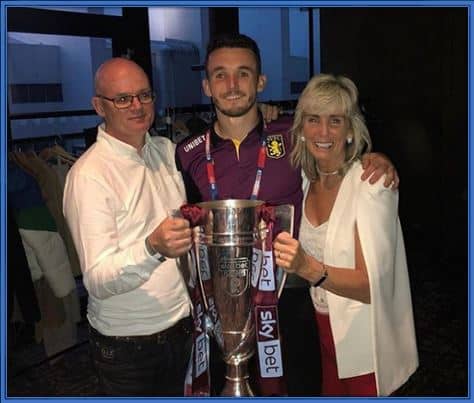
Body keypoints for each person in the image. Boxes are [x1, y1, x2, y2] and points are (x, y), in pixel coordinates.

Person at [175, 33, 399, 396]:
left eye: (243, 73)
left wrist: (375, 159)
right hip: (222, 305)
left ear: (260, 81)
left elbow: (336, 152)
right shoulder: (186, 153)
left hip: (289, 299)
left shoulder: (293, 136)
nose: (232, 85)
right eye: (220, 75)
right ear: (206, 85)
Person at [273, 74, 418, 396]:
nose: (323, 132)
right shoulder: (303, 182)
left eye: (335, 121)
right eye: (313, 120)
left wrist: (307, 268)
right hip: (322, 336)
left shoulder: (371, 183)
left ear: (351, 130)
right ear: (301, 128)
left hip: (365, 344)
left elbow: (373, 287)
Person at [63, 58, 194, 396]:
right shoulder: (90, 175)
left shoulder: (165, 151)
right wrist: (152, 247)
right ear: (99, 107)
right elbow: (97, 279)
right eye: (122, 99)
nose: (137, 106)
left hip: (182, 326)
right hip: (129, 347)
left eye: (144, 95)